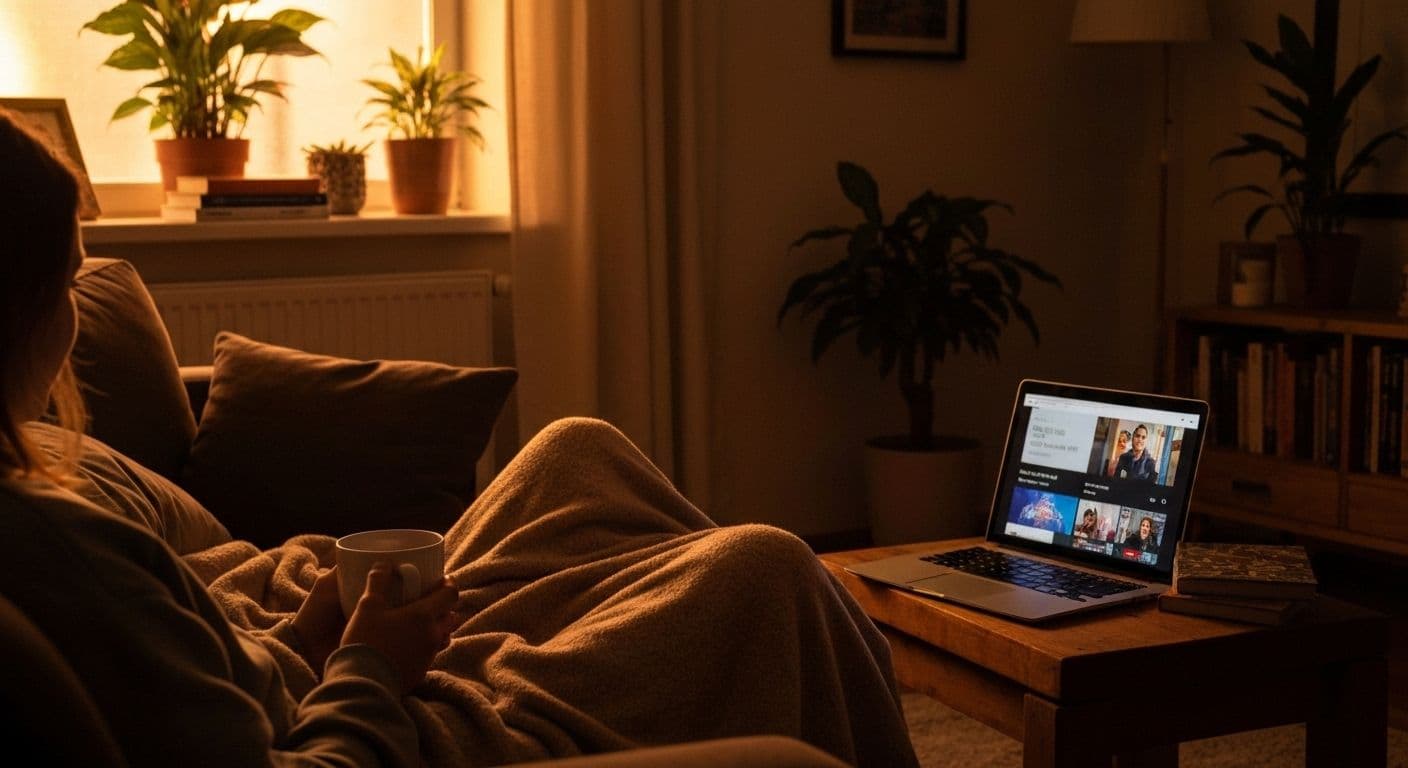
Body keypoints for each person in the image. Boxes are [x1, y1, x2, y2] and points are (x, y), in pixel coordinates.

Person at [0, 111, 914, 767]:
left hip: (315, 673)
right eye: (70, 290)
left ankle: (658, 612)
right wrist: (368, 663)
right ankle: (753, 647)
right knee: (759, 569)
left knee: (574, 450)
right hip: (391, 726)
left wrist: (311, 635)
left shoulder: (43, 514)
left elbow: (206, 696)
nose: (80, 327)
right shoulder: (56, 547)